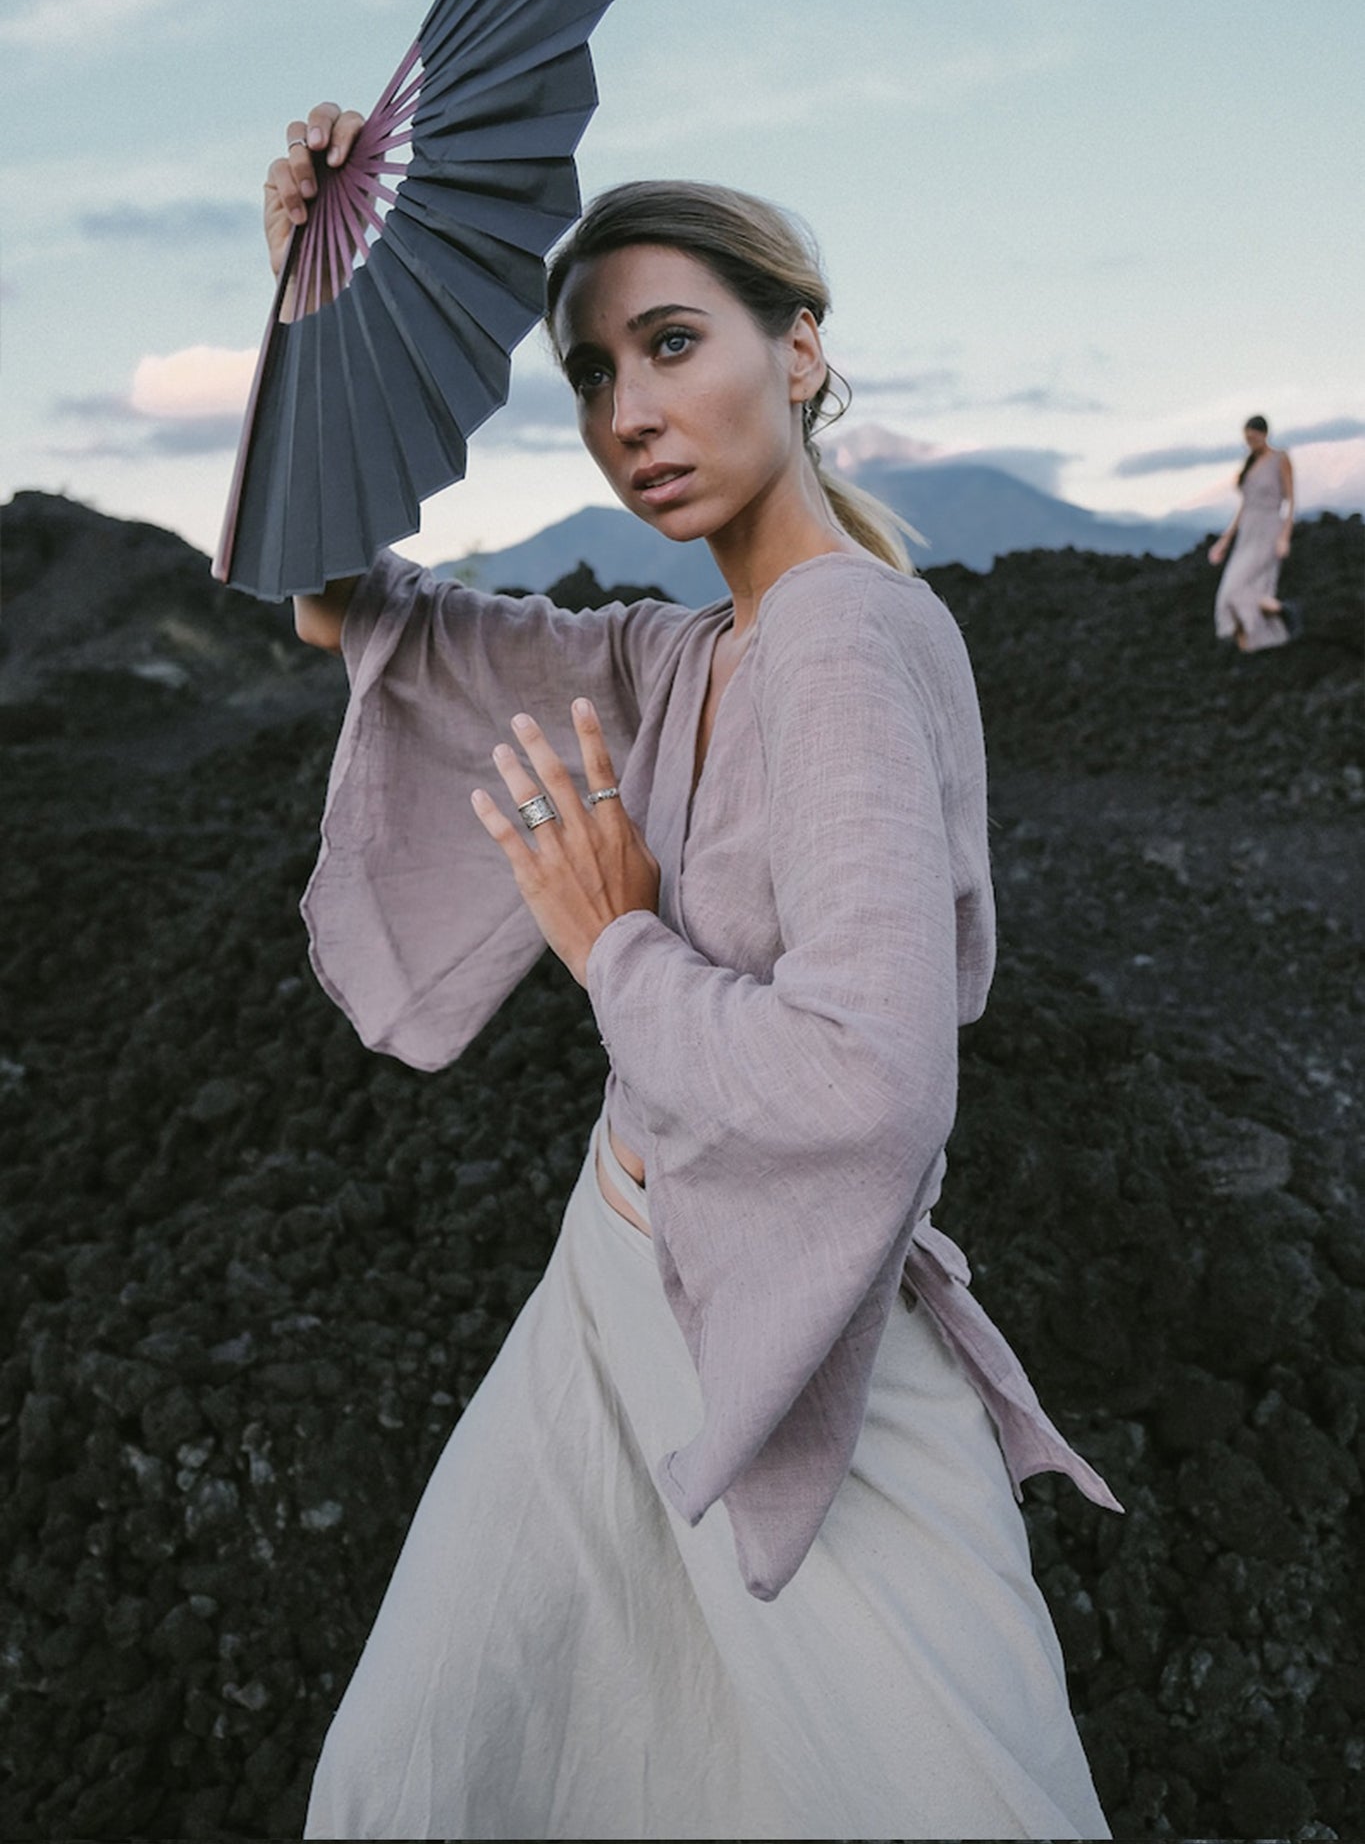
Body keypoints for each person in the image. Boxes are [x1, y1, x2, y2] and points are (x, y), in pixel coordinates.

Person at [268, 103, 1121, 1841]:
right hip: (616, 1284)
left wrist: (612, 941)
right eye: (589, 373)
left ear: (800, 350)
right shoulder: (683, 653)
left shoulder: (844, 641)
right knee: (428, 1765)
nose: (626, 416)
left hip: (804, 1349)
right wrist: (316, 298)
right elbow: (346, 605)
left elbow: (872, 1085)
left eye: (672, 344)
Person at [1208, 415, 1298, 650]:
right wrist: (1224, 541)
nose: (1250, 442)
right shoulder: (1250, 464)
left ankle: (1281, 613)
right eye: (1247, 438)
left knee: (1241, 589)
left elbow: (1290, 500)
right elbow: (1244, 507)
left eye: (1253, 437)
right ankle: (1252, 643)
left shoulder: (1280, 459)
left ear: (1264, 434)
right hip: (1247, 533)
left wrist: (1284, 536)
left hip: (1269, 528)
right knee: (1230, 592)